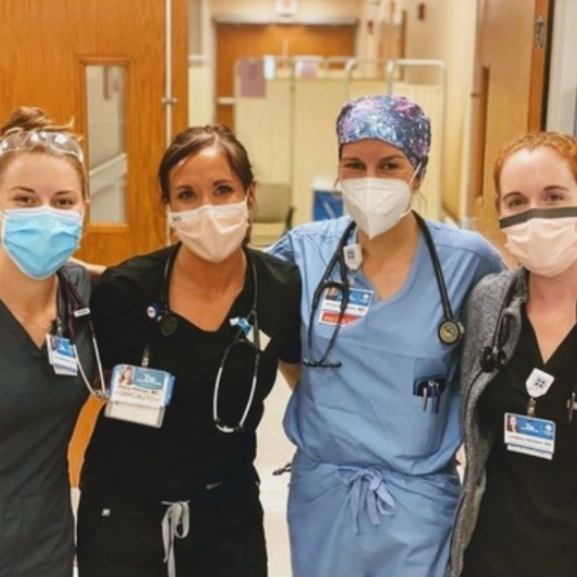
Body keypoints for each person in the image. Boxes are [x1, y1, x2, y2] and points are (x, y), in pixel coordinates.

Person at [268, 94, 504, 577]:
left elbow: (512, 335)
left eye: (389, 164)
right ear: (338, 171)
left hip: (419, 502)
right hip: (324, 492)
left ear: (418, 171)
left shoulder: (467, 261)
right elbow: (227, 287)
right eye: (354, 164)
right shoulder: (307, 250)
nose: (370, 179)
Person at [76, 125, 302, 577]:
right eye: (186, 195)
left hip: (226, 512)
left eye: (223, 190)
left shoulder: (279, 288)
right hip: (122, 513)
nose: (208, 209)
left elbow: (307, 381)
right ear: (169, 208)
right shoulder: (126, 291)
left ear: (249, 194)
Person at [449, 131, 577, 577]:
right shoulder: (489, 302)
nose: (535, 214)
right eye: (517, 201)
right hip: (490, 552)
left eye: (554, 195)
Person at [0, 106, 102, 576]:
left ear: (85, 209)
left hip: (47, 544)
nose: (45, 214)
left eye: (63, 202)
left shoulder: (83, 294)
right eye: (24, 199)